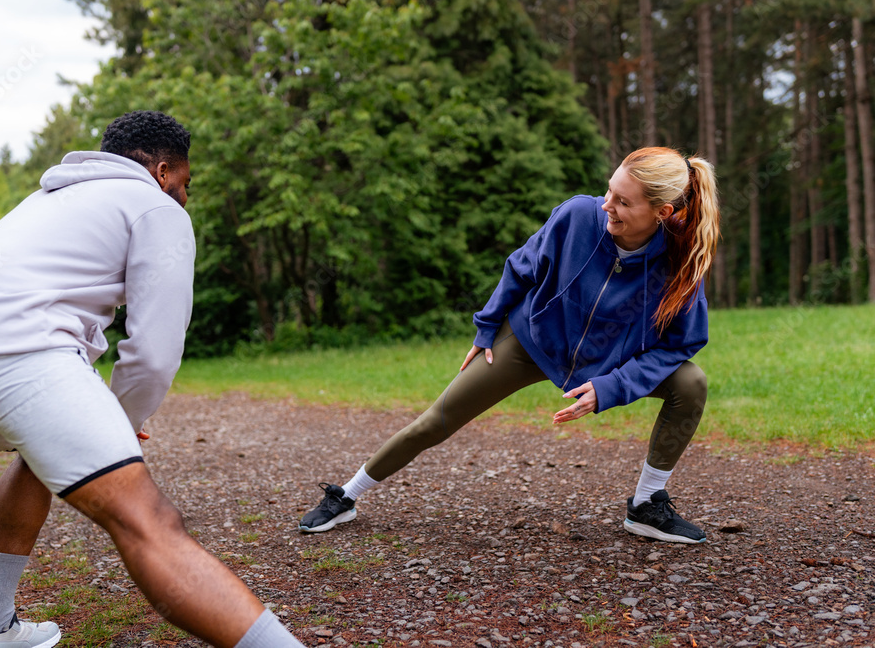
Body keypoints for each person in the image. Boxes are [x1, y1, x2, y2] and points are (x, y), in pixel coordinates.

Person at [0, 111, 303, 648]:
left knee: (37, 456)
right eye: (184, 184)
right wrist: (122, 422)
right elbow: (154, 353)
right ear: (162, 171)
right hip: (9, 342)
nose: (184, 198)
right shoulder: (156, 207)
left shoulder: (56, 197)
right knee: (146, 519)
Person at [299, 147, 720, 545]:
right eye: (609, 190)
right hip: (531, 340)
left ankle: (646, 505)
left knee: (690, 383)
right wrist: (486, 327)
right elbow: (521, 266)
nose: (607, 204)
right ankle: (346, 496)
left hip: (607, 360)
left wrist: (612, 386)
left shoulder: (681, 259)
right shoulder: (578, 215)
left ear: (661, 212)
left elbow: (682, 344)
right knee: (434, 421)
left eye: (623, 202)